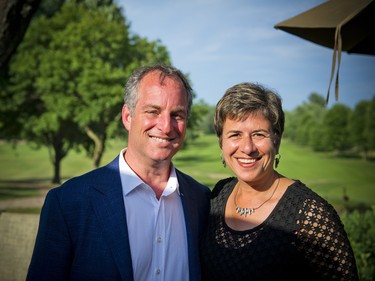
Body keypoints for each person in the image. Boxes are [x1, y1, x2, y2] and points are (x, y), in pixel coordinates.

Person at [27, 64, 211, 281]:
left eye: (177, 115)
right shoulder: (69, 202)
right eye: (153, 111)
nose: (166, 126)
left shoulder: (201, 200)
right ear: (127, 116)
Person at [200, 82, 358, 281]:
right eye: (235, 135)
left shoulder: (308, 213)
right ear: (221, 142)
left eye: (259, 134)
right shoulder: (220, 193)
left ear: (277, 140)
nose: (247, 147)